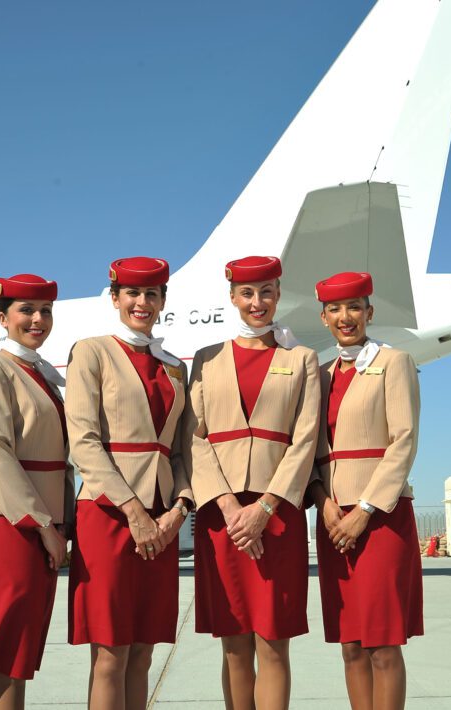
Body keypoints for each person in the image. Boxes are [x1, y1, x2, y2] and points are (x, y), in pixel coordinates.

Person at [184, 255, 319, 710]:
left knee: (273, 642)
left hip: (276, 515)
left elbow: (305, 440)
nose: (256, 302)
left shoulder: (301, 361)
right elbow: (194, 439)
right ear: (232, 298)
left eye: (265, 292)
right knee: (234, 644)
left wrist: (263, 507)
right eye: (247, 293)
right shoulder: (206, 360)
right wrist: (226, 505)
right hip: (223, 521)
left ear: (278, 295)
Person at [65, 256, 193, 710]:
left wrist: (179, 509)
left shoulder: (175, 367)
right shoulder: (91, 351)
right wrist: (134, 511)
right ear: (115, 298)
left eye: (152, 294)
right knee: (110, 653)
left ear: (162, 301)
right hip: (108, 514)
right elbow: (83, 441)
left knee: (144, 650)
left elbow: (181, 450)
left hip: (162, 518)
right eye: (133, 294)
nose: (142, 302)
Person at [0, 273, 74, 710]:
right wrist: (44, 525)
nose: (38, 319)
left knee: (15, 657)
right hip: (9, 523)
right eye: (26, 310)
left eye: (45, 311)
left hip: (33, 523)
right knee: (6, 654)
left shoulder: (41, 375)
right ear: (3, 317)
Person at [307, 271, 423, 710]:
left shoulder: (394, 363)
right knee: (350, 643)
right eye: (335, 309)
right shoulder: (319, 375)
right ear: (323, 318)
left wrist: (365, 510)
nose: (345, 317)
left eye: (354, 307)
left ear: (369, 313)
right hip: (334, 518)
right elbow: (313, 450)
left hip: (381, 518)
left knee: (382, 645)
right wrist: (324, 504)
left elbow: (404, 441)